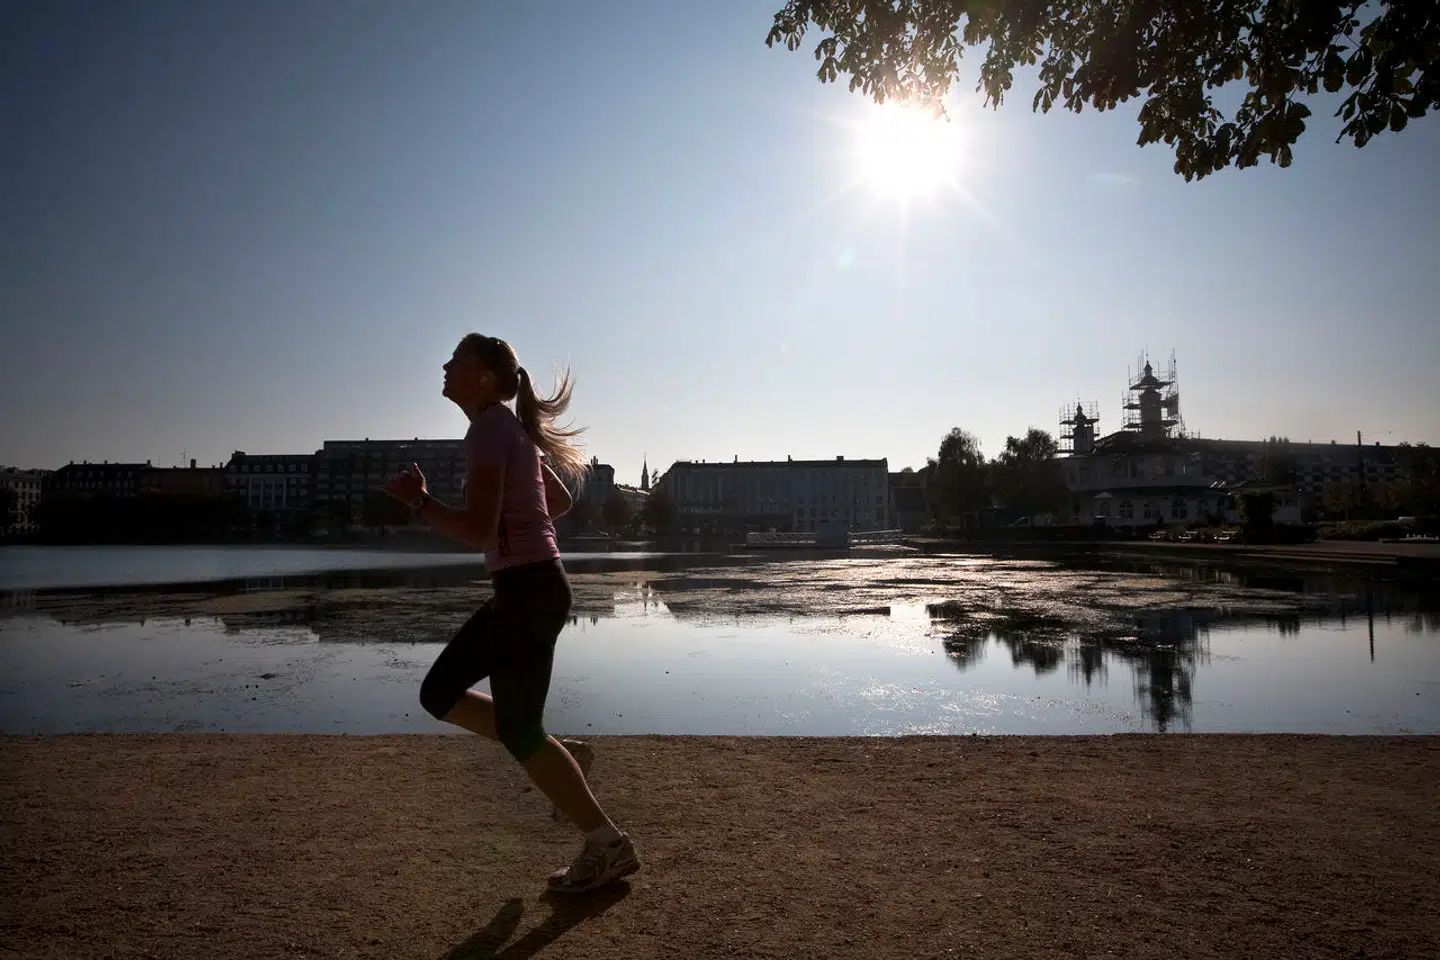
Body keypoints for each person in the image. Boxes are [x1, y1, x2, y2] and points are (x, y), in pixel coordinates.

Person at [383, 333, 640, 894]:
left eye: (456, 359)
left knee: (518, 730)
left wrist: (419, 502)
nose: (445, 366)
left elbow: (476, 529)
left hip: (528, 590)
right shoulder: (510, 432)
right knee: (441, 694)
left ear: (481, 376)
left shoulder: (489, 432)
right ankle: (562, 757)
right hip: (527, 587)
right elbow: (563, 503)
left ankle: (607, 846)